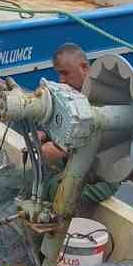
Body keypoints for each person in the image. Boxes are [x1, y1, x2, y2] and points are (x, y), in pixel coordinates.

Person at [33, 43, 117, 206]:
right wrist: (44, 134)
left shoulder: (105, 98)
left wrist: (64, 149)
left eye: (65, 73)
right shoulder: (68, 95)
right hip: (70, 163)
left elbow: (109, 146)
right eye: (59, 74)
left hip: (102, 175)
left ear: (84, 67)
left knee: (53, 192)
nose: (61, 80)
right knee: (25, 177)